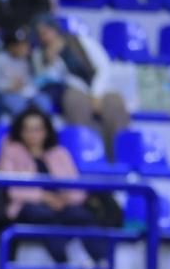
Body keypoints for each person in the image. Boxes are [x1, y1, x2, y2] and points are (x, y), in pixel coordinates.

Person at [0, 105, 102, 266]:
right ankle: (66, 262)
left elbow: (78, 188)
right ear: (20, 131)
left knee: (81, 215)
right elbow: (11, 189)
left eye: (37, 129)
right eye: (28, 129)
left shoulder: (60, 153)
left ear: (46, 131)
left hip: (63, 204)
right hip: (28, 206)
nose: (33, 134)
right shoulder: (11, 151)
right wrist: (44, 197)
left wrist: (65, 199)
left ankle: (101, 262)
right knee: (43, 215)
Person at [32, 15, 129, 160]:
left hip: (102, 88)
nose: (45, 37)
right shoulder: (39, 54)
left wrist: (96, 93)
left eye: (46, 32)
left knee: (114, 103)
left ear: (55, 29)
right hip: (73, 90)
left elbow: (103, 66)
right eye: (41, 34)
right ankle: (85, 155)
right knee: (75, 102)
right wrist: (50, 61)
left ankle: (119, 157)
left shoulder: (81, 41)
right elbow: (46, 81)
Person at [0, 29, 46, 117]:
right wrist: (7, 85)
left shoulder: (24, 61)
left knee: (44, 101)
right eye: (20, 45)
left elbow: (31, 80)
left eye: (25, 45)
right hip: (3, 94)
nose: (24, 48)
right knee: (19, 106)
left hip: (24, 93)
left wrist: (23, 85)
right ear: (11, 46)